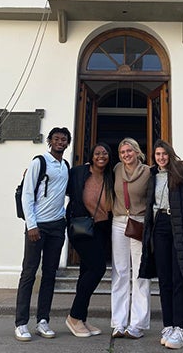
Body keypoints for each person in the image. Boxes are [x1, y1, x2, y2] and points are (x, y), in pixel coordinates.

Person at [139, 139, 183, 349]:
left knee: (179, 278)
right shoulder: (152, 175)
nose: (161, 158)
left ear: (170, 154)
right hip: (159, 226)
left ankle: (180, 328)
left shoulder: (181, 173)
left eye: (164, 154)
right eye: (157, 154)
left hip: (179, 226)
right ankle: (168, 325)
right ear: (153, 157)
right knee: (164, 278)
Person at [14, 127, 71, 342]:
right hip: (37, 227)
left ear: (67, 143)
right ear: (50, 141)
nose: (59, 142)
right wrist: (31, 225)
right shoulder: (39, 161)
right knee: (29, 273)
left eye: (63, 139)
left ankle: (42, 320)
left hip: (57, 226)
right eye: (56, 138)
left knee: (50, 274)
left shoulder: (65, 166)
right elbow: (27, 194)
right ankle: (21, 323)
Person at [65, 142, 114, 338]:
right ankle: (74, 316)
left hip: (102, 228)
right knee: (97, 268)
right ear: (91, 156)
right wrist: (31, 179)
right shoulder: (78, 172)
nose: (101, 156)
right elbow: (58, 184)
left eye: (105, 153)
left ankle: (81, 319)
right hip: (81, 226)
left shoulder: (111, 175)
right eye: (97, 153)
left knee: (86, 270)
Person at [111, 137, 151, 339]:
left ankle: (137, 324)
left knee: (140, 272)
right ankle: (118, 322)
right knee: (120, 272)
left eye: (129, 151)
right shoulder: (117, 169)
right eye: (122, 152)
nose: (126, 155)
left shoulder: (148, 172)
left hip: (139, 222)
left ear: (137, 152)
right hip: (118, 221)